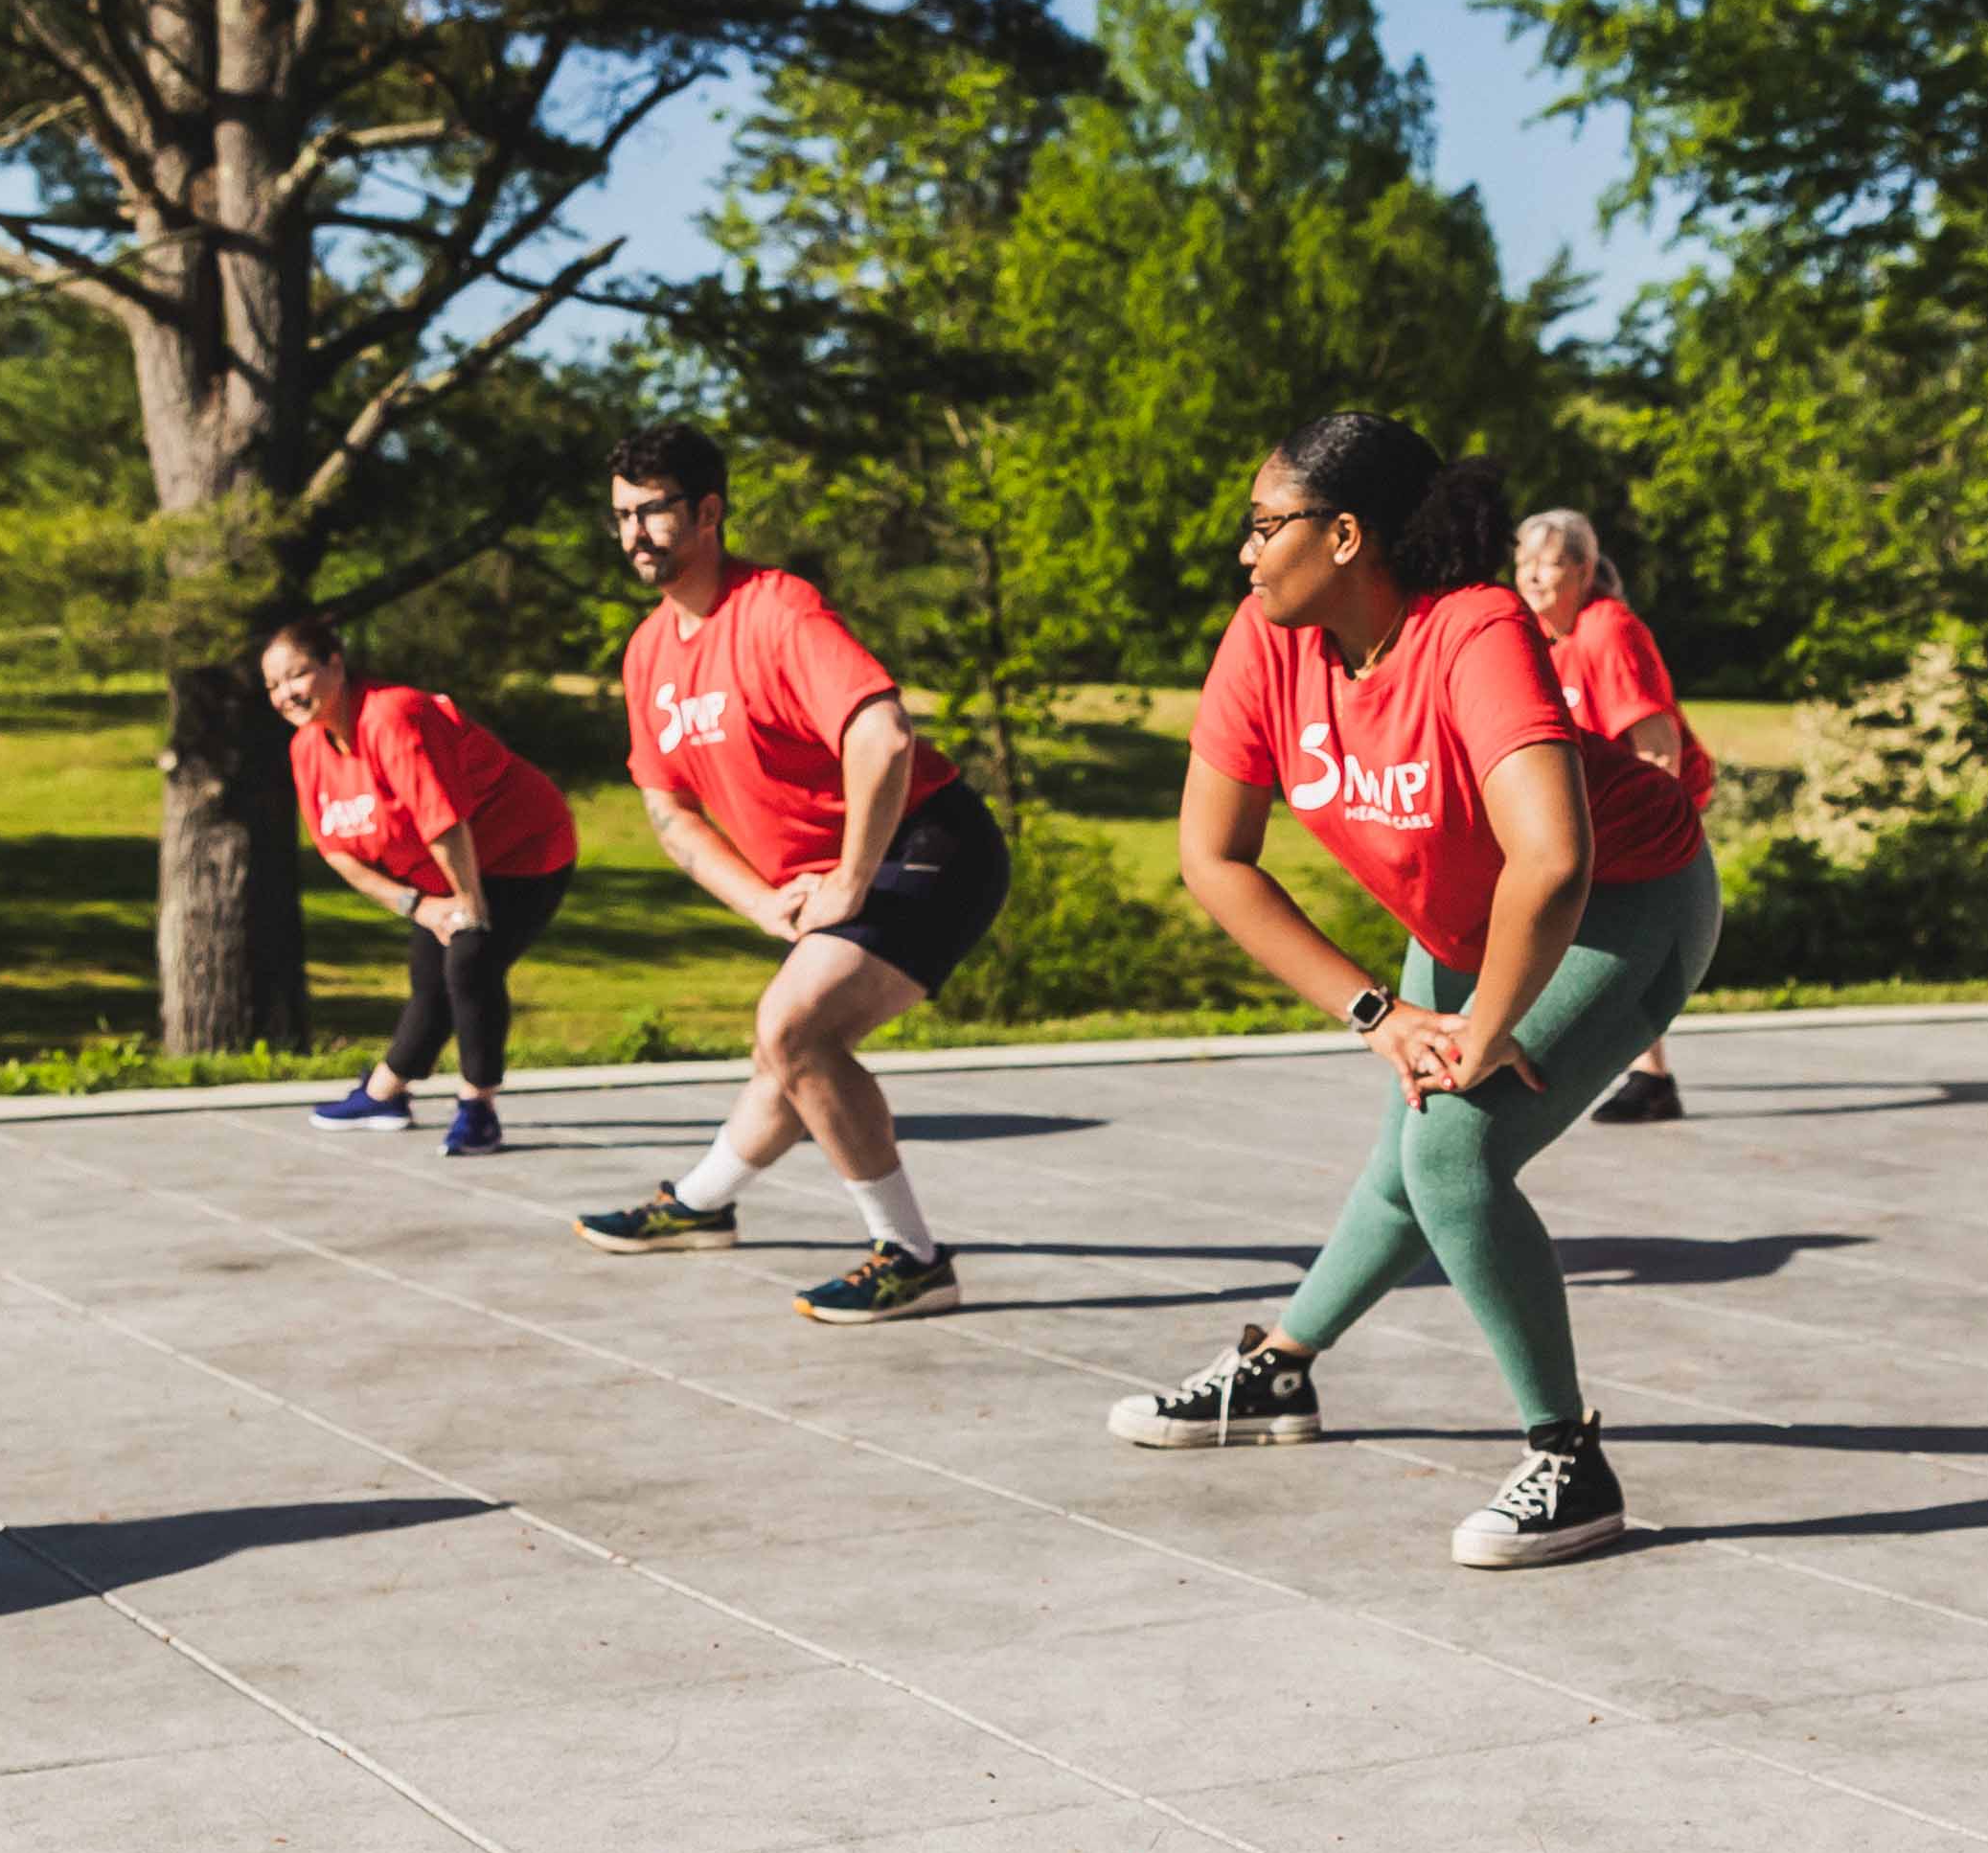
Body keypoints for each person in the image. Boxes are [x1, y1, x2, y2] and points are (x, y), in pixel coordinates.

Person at [1109, 412, 1722, 1567]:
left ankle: (1571, 1461)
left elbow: (1556, 859)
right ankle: (1280, 1371)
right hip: (1464, 919)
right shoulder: (1267, 638)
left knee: (1450, 1154)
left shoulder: (1476, 628)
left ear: (1346, 535)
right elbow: (1214, 856)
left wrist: (1484, 1032)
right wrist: (1379, 1016)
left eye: (1262, 524)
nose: (1243, 551)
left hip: (1627, 901)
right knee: (1406, 1156)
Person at [569, 421, 1008, 1325]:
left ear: (709, 513)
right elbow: (669, 812)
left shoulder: (777, 610)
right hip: (824, 876)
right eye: (620, 517)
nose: (634, 536)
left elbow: (884, 735)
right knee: (789, 1046)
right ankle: (699, 1205)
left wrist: (848, 881)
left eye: (652, 513)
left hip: (927, 845)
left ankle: (912, 1257)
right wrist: (764, 902)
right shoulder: (648, 654)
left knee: (795, 1027)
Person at [266, 611, 580, 1156]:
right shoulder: (308, 748)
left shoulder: (393, 715)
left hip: (523, 848)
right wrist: (418, 907)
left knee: (469, 962)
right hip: (437, 872)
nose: (286, 694)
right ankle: (386, 1094)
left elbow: (443, 820)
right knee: (428, 979)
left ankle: (478, 1108)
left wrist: (469, 909)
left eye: (296, 675)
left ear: (335, 665)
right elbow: (336, 850)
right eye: (273, 684)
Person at [1514, 508, 1721, 1127]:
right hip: (1602, 812)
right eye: (1521, 563)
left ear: (1581, 569)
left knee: (1620, 937)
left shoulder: (1609, 631)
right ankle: (1648, 1075)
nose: (1529, 577)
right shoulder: (1551, 639)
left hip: (1646, 816)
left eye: (1545, 563)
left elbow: (1658, 747)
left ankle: (1647, 1077)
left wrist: (1650, 843)